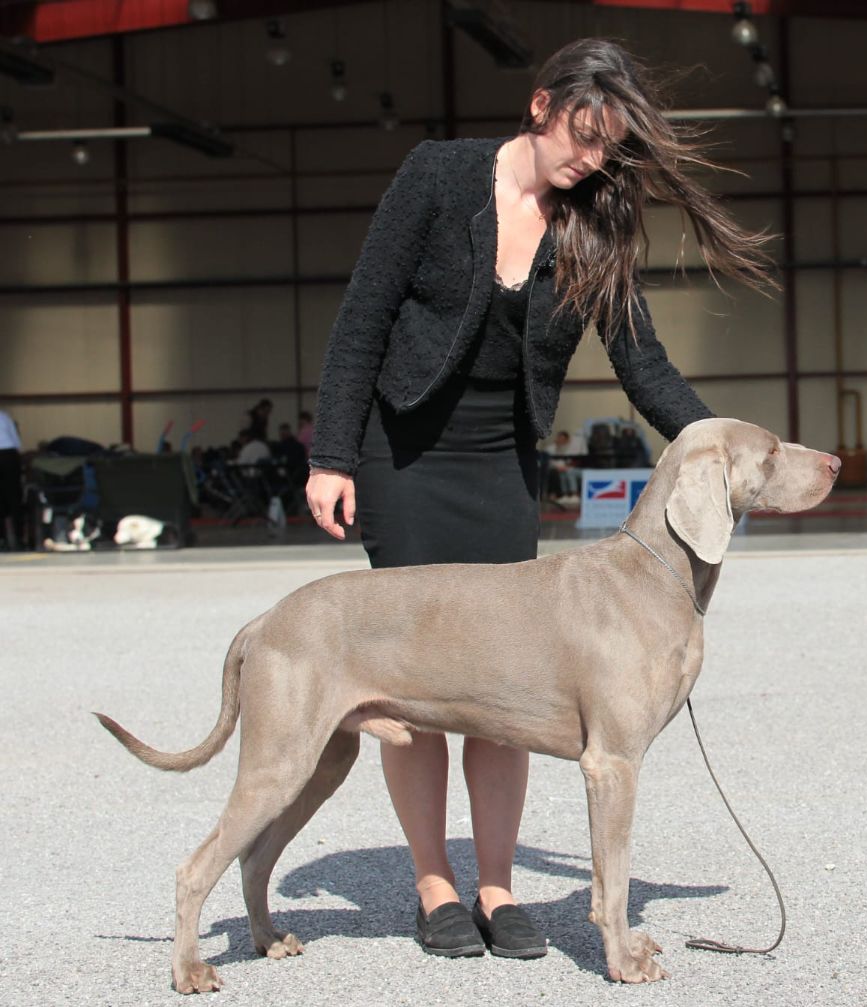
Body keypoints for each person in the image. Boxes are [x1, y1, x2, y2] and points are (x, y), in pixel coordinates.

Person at [306, 38, 773, 959]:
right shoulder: (436, 177)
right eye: (582, 133)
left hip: (498, 462)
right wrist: (331, 455)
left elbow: (643, 365)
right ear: (540, 106)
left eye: (608, 145)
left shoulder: (594, 221)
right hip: (402, 454)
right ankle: (434, 886)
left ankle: (495, 887)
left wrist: (718, 446)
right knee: (411, 684)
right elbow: (363, 314)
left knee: (506, 683)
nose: (590, 158)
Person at [0, 409, 24, 551]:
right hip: (9, 455)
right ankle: (19, 539)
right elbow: (16, 441)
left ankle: (2, 539)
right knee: (14, 497)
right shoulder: (4, 416)